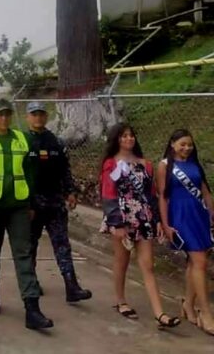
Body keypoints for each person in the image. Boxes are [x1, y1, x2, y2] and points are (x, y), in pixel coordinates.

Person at [0, 99, 53, 330]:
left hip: (18, 205)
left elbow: (29, 171)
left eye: (8, 114)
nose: (4, 118)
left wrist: (30, 203)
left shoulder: (22, 138)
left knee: (23, 254)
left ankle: (32, 308)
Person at [100, 123, 180, 329]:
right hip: (122, 218)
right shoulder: (111, 164)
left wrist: (158, 221)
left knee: (148, 266)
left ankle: (159, 313)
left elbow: (152, 194)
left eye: (131, 135)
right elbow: (108, 194)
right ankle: (120, 300)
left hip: (143, 218)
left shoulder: (146, 164)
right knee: (122, 261)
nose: (129, 139)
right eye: (124, 136)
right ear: (117, 139)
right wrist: (116, 223)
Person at [25, 102, 92, 302]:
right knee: (30, 245)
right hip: (32, 204)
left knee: (62, 243)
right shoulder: (22, 142)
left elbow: (65, 170)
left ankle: (72, 286)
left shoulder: (56, 141)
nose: (38, 118)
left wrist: (70, 192)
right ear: (28, 117)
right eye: (34, 114)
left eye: (41, 114)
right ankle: (30, 282)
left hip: (54, 202)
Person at [158, 129, 214, 336]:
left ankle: (188, 305)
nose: (186, 148)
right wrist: (165, 224)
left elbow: (205, 192)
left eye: (189, 144)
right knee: (200, 262)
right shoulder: (165, 166)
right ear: (172, 144)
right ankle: (206, 313)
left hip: (199, 215)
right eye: (182, 144)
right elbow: (162, 197)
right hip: (180, 217)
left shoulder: (194, 163)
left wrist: (212, 214)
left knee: (195, 262)